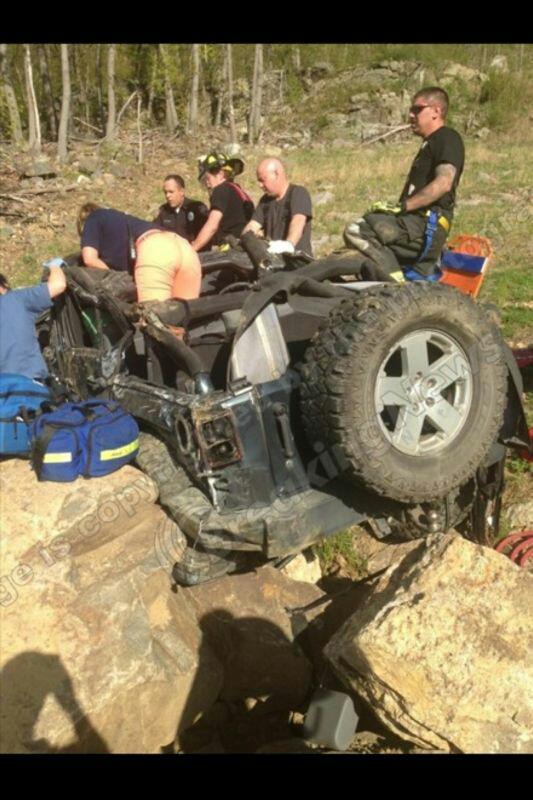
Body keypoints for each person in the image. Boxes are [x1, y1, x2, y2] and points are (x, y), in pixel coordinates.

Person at [343, 86, 465, 282]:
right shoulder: (430, 143)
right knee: (358, 251)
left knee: (359, 230)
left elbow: (444, 183)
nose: (411, 115)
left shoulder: (447, 137)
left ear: (436, 111)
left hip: (426, 224)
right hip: (415, 223)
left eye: (417, 109)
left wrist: (403, 207)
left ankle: (395, 287)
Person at [77, 203, 201, 303]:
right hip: (183, 246)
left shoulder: (92, 218)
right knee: (182, 317)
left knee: (156, 319)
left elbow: (90, 259)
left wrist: (113, 277)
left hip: (155, 249)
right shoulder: (122, 219)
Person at [0, 262, 66, 381]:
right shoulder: (16, 299)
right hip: (30, 382)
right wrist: (54, 265)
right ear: (3, 286)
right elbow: (58, 285)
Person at [243, 157, 313, 256]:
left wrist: (289, 244)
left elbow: (298, 220)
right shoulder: (265, 201)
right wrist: (246, 239)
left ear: (277, 174)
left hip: (296, 259)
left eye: (262, 180)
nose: (260, 185)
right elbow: (252, 226)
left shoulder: (298, 193)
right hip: (274, 258)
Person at [191, 152, 254, 252]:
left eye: (207, 179)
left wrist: (193, 249)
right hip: (245, 248)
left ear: (221, 174)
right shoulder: (239, 192)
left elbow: (212, 225)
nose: (207, 184)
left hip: (232, 251)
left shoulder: (220, 190)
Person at [153, 174, 209, 245]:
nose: (167, 196)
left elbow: (207, 234)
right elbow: (155, 234)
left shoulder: (196, 208)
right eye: (165, 192)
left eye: (171, 192)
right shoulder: (163, 211)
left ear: (182, 191)